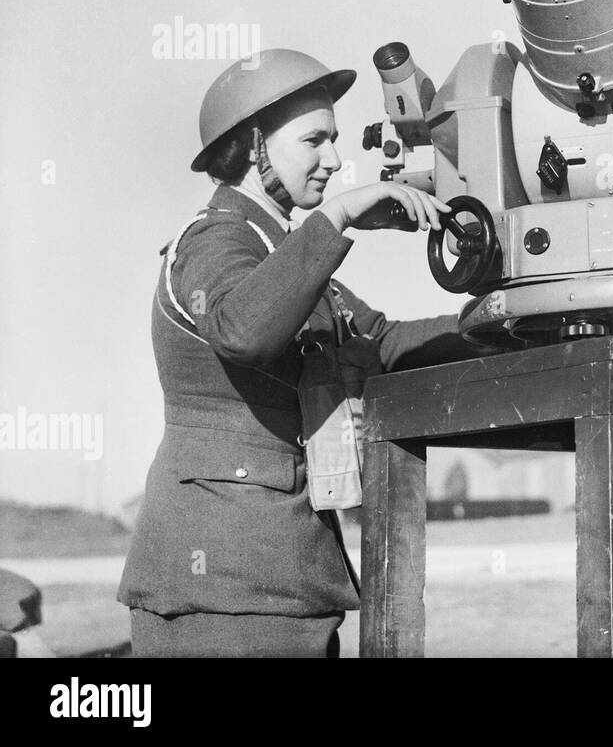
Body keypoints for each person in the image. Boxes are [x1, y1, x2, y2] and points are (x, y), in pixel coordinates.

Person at [119, 49, 476, 657]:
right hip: (224, 590)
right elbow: (244, 330)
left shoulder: (284, 254)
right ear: (255, 144)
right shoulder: (216, 238)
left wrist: (497, 320)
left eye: (335, 139)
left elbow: (381, 344)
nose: (335, 161)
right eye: (315, 140)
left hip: (286, 582)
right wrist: (338, 216)